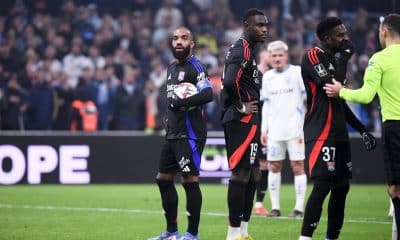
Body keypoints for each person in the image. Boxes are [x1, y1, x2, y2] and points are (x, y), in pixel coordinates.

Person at [298, 17, 377, 240]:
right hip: (321, 130)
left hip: (340, 132)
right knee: (323, 184)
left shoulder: (335, 57)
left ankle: (331, 237)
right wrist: (344, 58)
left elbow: (340, 100)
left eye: (345, 33)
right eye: (340, 35)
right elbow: (333, 87)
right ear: (326, 38)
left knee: (342, 187)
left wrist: (362, 130)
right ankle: (305, 238)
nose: (346, 38)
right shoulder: (312, 56)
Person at [323, 13, 400, 240]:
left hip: (395, 127)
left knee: (395, 190)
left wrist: (340, 91)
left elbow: (366, 96)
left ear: (384, 31)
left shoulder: (379, 58)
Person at [149, 27, 213, 240]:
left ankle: (192, 234)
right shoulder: (171, 68)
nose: (178, 42)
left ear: (192, 43)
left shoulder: (196, 67)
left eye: (184, 38)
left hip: (190, 133)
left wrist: (182, 102)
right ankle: (171, 232)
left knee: (189, 180)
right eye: (175, 38)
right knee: (163, 179)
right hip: (173, 133)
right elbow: (171, 102)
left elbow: (207, 93)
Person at [220, 8, 268, 240]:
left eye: (266, 25)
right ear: (247, 26)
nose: (265, 29)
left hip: (252, 120)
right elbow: (229, 81)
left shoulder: (250, 51)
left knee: (255, 174)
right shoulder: (242, 49)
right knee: (241, 173)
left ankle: (244, 232)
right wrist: (240, 106)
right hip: (241, 120)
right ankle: (232, 234)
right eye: (260, 25)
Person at [260, 40, 307, 218]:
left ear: (286, 56)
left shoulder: (297, 73)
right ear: (270, 58)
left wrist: (303, 121)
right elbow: (266, 105)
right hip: (274, 131)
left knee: (297, 166)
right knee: (274, 167)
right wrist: (264, 130)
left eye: (280, 55)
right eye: (274, 56)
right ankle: (275, 208)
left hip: (294, 129)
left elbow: (305, 100)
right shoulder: (267, 77)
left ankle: (299, 208)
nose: (277, 58)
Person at [253, 49, 271, 216]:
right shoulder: (255, 74)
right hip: (255, 124)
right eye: (269, 55)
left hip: (270, 126)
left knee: (266, 164)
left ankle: (258, 204)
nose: (272, 57)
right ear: (262, 57)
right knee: (253, 165)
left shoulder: (273, 76)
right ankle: (249, 200)